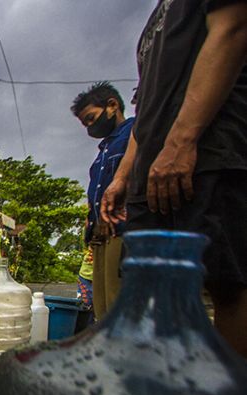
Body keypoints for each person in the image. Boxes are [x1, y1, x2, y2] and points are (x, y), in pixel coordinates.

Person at [101, 1, 247, 357]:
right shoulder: (153, 24)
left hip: (206, 150)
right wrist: (123, 177)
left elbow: (232, 29)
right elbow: (145, 107)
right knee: (150, 285)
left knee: (228, 284)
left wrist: (183, 140)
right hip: (150, 169)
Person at [71, 81, 135, 321]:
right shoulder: (104, 151)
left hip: (123, 229)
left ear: (112, 105)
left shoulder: (134, 134)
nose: (90, 127)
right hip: (101, 235)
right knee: (103, 307)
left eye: (91, 118)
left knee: (121, 305)